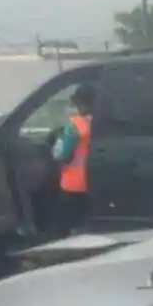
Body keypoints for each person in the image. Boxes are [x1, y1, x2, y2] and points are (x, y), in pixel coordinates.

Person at [49, 83, 96, 234]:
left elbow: (59, 153)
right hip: (97, 184)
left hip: (73, 186)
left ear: (81, 103)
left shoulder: (75, 125)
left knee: (62, 227)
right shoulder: (105, 123)